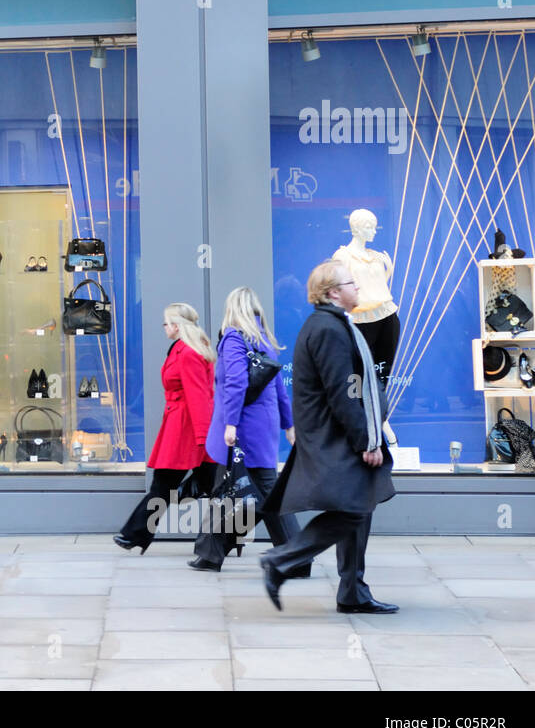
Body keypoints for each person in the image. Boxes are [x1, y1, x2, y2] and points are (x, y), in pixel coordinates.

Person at [259, 259, 398, 613]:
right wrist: (365, 441)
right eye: (352, 283)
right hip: (334, 437)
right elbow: (343, 393)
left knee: (358, 507)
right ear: (334, 292)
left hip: (336, 435)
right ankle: (281, 560)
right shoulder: (328, 329)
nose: (359, 288)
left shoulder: (334, 324)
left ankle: (352, 591)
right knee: (353, 509)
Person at [188, 287, 306, 573]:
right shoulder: (264, 339)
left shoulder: (233, 338)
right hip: (262, 427)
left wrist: (230, 423)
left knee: (243, 491)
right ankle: (210, 553)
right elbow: (279, 387)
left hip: (240, 427)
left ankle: (297, 558)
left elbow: (236, 383)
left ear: (232, 308)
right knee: (253, 491)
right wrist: (288, 424)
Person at [114, 303, 217, 553]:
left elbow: (199, 396)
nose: (164, 327)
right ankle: (139, 533)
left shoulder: (188, 353)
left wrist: (203, 436)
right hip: (181, 423)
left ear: (177, 325)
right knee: (204, 484)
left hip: (185, 427)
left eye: (166, 323)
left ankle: (136, 533)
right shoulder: (183, 349)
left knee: (164, 484)